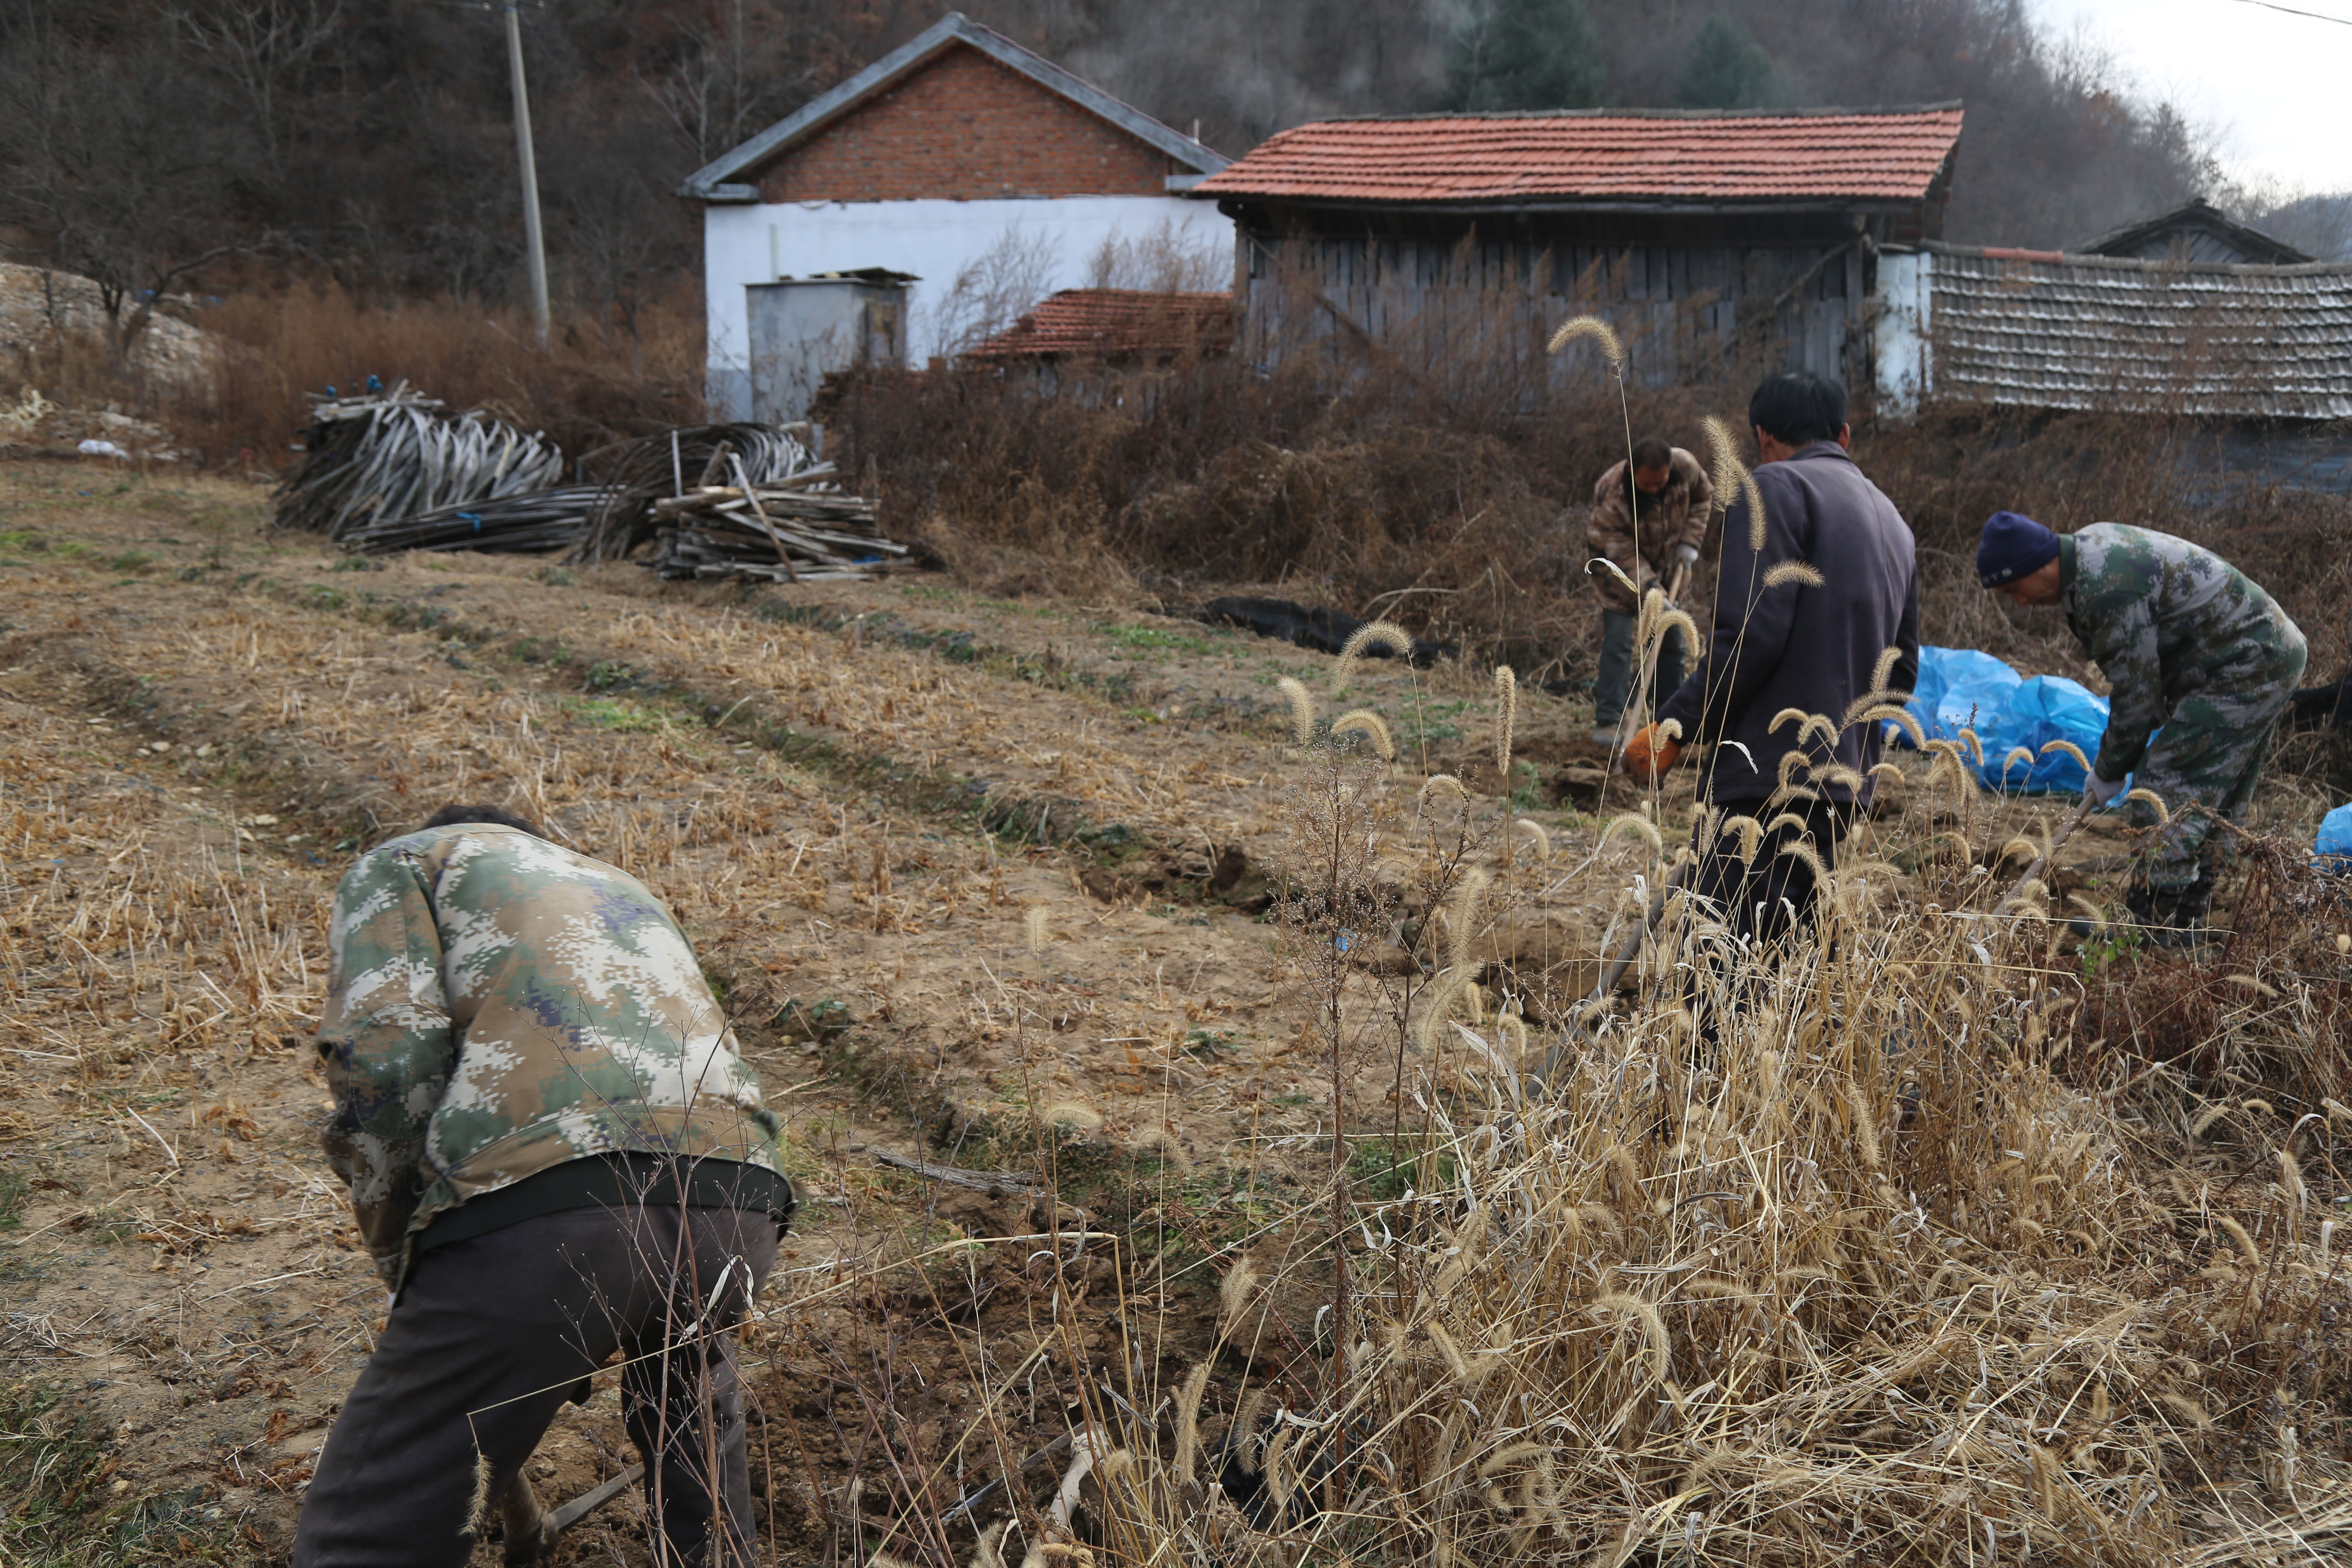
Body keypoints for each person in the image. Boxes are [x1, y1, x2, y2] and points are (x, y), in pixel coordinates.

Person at [294, 804, 793, 1568]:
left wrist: (404, 1257)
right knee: (692, 1421)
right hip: (741, 1196)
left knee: (373, 1528)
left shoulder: (412, 861)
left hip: (555, 1217)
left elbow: (385, 1069)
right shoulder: (621, 886)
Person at [1622, 373, 1919, 949]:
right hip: (1842, 786)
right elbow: (1900, 677)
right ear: (1844, 435)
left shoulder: (1771, 489)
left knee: (1723, 972)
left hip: (1764, 779)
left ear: (1762, 436)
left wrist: (1674, 728)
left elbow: (1751, 637)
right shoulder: (1894, 522)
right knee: (1788, 971)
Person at [1978, 511, 2306, 942]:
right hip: (2261, 653)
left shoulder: (2105, 589)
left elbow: (2137, 692)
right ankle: (2188, 918)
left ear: (2039, 564)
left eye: (2014, 589)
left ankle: (2149, 925)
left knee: (2165, 782)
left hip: (2247, 663)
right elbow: (2148, 670)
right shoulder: (2090, 554)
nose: (2020, 602)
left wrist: (2110, 768)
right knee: (2214, 793)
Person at [1586, 436, 1714, 748]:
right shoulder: (1611, 493)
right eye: (1648, 484)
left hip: (1668, 566)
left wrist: (1690, 543)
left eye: (1661, 482)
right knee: (1619, 643)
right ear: (1632, 471)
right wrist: (1655, 593)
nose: (1655, 489)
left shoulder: (1685, 467)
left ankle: (1668, 721)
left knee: (1672, 645)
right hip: (1617, 574)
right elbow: (1621, 552)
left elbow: (1703, 498)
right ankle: (1609, 722)